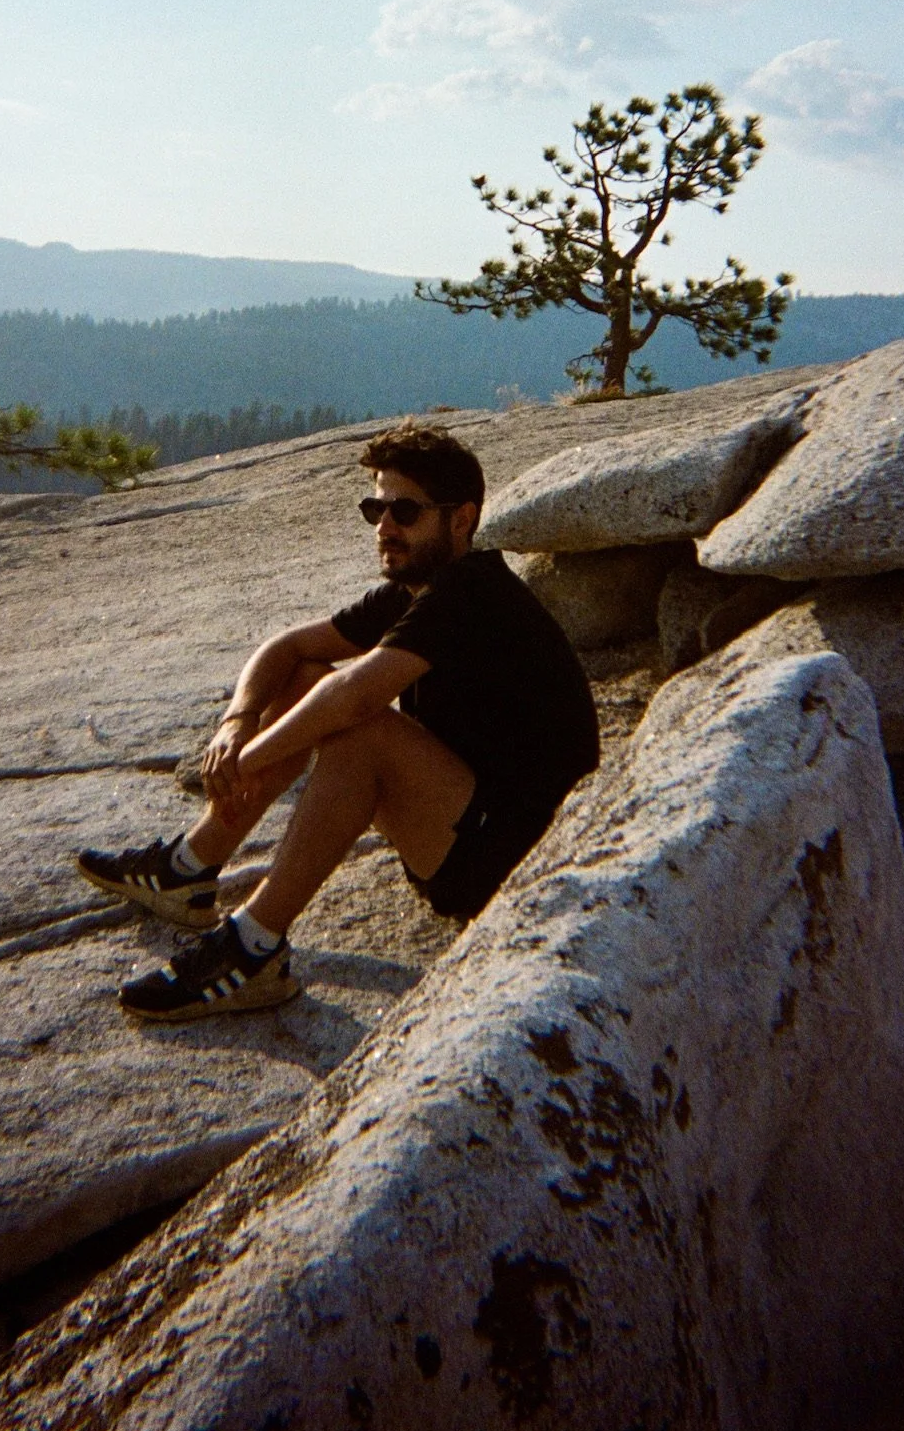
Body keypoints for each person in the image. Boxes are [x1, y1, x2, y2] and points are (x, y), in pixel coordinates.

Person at [78, 421, 600, 1022]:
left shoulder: (471, 593)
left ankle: (253, 947)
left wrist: (245, 762)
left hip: (517, 860)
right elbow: (286, 648)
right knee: (303, 677)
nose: (385, 526)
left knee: (362, 733)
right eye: (376, 508)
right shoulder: (417, 590)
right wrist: (236, 721)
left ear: (462, 520)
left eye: (405, 510)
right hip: (471, 823)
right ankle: (187, 870)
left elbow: (352, 697)